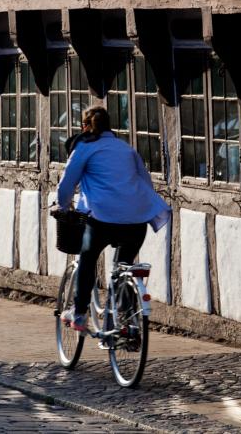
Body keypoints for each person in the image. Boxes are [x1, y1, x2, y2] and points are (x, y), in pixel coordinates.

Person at [56, 105, 171, 332]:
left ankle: (79, 314)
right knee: (124, 266)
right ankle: (124, 319)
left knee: (87, 259)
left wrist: (62, 206)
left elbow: (67, 183)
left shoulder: (84, 148)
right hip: (136, 221)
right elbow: (145, 183)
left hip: (102, 220)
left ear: (85, 127)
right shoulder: (126, 149)